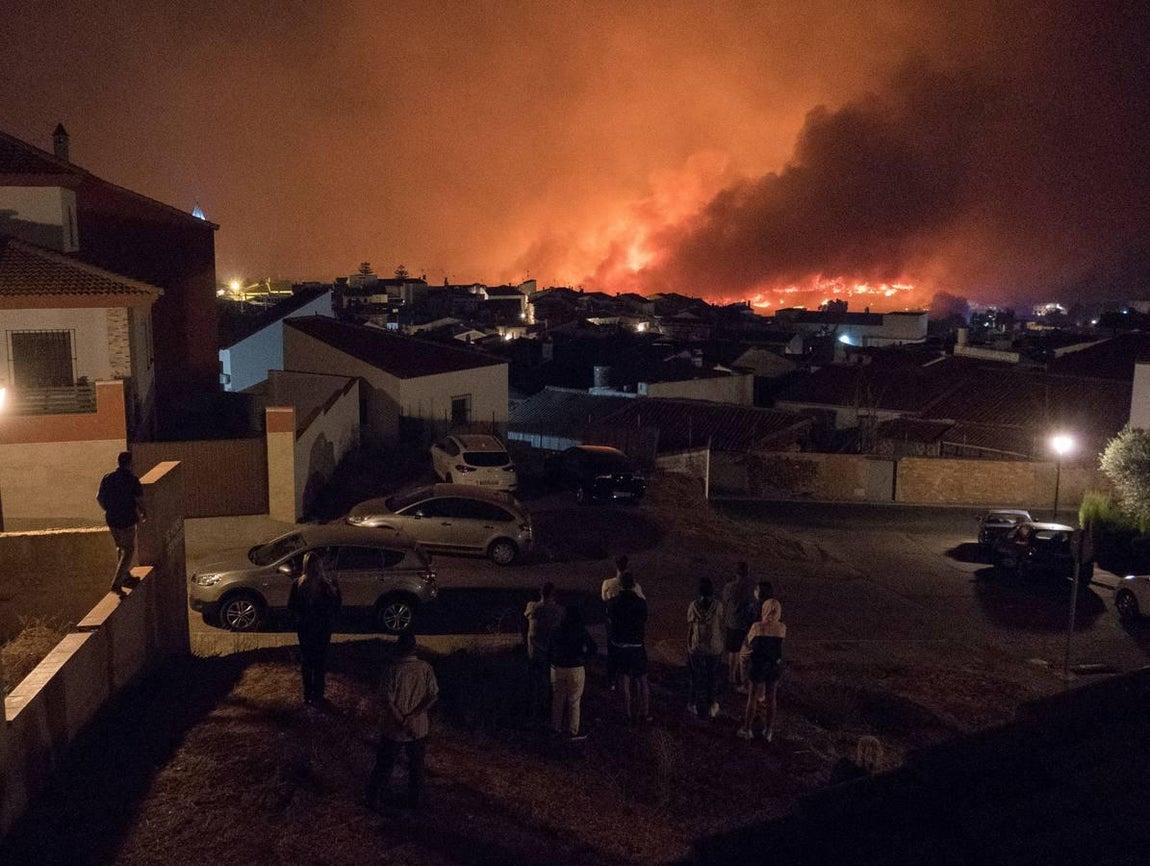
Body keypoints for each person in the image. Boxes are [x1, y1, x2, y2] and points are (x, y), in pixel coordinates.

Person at [365, 632, 439, 810]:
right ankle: (415, 800)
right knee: (416, 766)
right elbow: (432, 696)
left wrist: (402, 720)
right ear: (415, 648)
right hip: (419, 728)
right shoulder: (425, 668)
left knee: (385, 763)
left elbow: (388, 701)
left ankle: (374, 799)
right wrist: (414, 716)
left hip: (393, 728)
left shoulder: (393, 670)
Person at [287, 551, 342, 706]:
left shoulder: (298, 584)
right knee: (320, 661)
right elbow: (336, 606)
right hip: (322, 628)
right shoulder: (326, 586)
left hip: (305, 628)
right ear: (320, 566)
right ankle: (318, 694)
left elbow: (291, 606)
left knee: (307, 661)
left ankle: (307, 694)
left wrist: (299, 618)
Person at [96, 451, 146, 596]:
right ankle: (117, 583)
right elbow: (140, 500)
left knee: (121, 548)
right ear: (130, 463)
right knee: (129, 550)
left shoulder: (108, 478)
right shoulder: (132, 480)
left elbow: (99, 497)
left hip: (112, 519)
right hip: (127, 519)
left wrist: (107, 508)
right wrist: (144, 513)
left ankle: (126, 576)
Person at [738, 598, 786, 741]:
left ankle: (747, 729)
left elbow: (747, 647)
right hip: (773, 667)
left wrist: (744, 662)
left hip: (758, 666)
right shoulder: (782, 628)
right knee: (771, 699)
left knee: (752, 698)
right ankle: (768, 731)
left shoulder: (757, 627)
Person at [549, 606, 597, 739]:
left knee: (558, 699)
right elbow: (593, 647)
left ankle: (555, 727)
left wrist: (553, 660)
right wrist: (584, 657)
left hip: (558, 667)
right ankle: (573, 730)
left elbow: (549, 648)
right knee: (574, 700)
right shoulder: (580, 630)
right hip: (576, 667)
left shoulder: (555, 629)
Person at [607, 572, 650, 723]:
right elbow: (644, 619)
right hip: (636, 644)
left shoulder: (614, 602)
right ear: (633, 584)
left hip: (620, 644)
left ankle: (627, 713)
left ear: (621, 585)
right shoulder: (640, 602)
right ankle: (643, 712)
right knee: (642, 679)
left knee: (624, 678)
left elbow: (611, 620)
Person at [601, 555, 644, 690]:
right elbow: (642, 604)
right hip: (632, 627)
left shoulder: (608, 584)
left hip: (614, 624)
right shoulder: (636, 587)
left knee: (612, 653)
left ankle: (612, 680)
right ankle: (632, 680)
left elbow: (604, 600)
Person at [524, 581, 563, 723]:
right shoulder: (558, 611)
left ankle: (533, 712)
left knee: (535, 681)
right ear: (553, 595)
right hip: (549, 652)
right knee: (548, 681)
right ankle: (546, 710)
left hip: (535, 651)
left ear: (540, 593)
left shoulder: (533, 608)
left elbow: (527, 614)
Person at [687, 577, 725, 719]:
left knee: (695, 676)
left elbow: (690, 628)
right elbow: (721, 625)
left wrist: (689, 646)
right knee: (712, 677)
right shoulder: (718, 606)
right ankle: (712, 705)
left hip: (697, 646)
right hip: (714, 646)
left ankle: (692, 703)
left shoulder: (693, 606)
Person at [720, 562, 757, 692]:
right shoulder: (751, 588)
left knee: (733, 652)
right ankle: (743, 681)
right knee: (744, 654)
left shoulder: (729, 587)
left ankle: (731, 677)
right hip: (746, 624)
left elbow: (725, 600)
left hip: (733, 622)